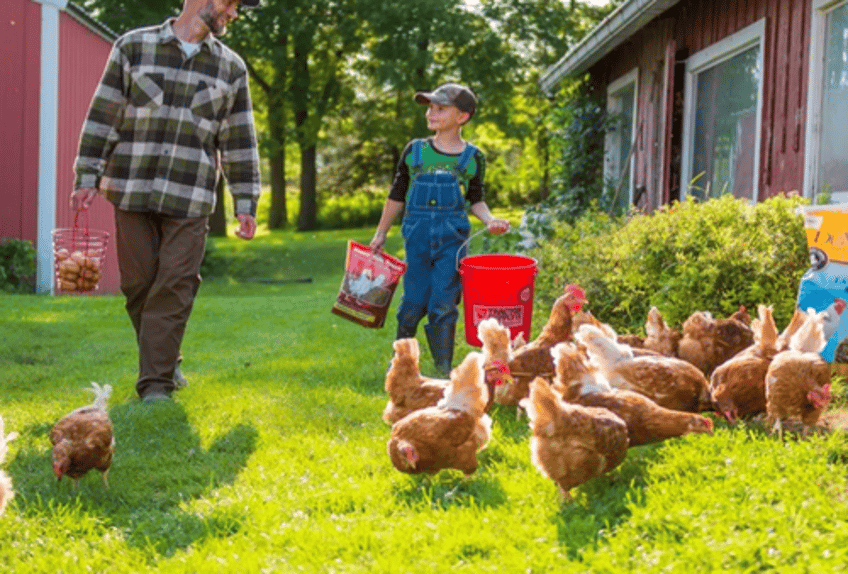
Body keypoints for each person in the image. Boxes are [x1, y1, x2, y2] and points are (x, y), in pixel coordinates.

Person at [71, 0, 262, 402]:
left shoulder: (231, 68)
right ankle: (166, 359)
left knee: (174, 283)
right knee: (139, 284)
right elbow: (104, 115)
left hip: (190, 196)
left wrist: (245, 202)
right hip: (132, 187)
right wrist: (87, 175)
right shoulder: (133, 47)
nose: (234, 13)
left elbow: (239, 140)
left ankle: (155, 386)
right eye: (230, 3)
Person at [370, 83, 510, 376]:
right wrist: (381, 233)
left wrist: (490, 221)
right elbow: (397, 194)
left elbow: (476, 199)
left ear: (462, 116)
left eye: (441, 108)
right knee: (412, 303)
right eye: (430, 107)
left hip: (452, 241)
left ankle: (444, 367)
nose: (432, 113)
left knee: (443, 304)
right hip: (417, 237)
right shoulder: (415, 150)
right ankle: (400, 364)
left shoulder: (473, 157)